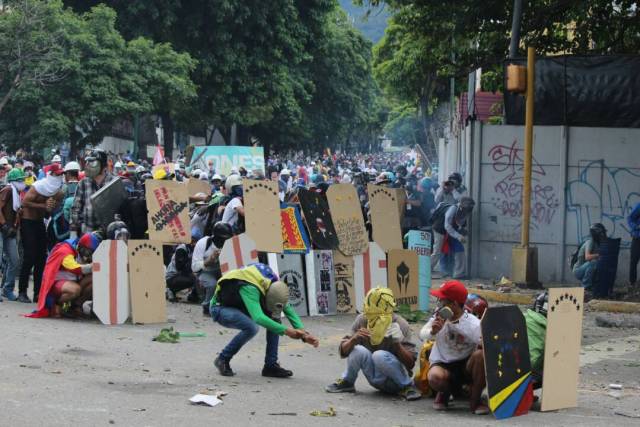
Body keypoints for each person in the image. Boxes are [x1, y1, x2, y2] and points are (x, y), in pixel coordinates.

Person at [210, 263, 319, 377]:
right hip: (220, 308)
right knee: (251, 327)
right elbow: (258, 317)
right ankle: (222, 359)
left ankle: (270, 366)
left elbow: (288, 309)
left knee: (275, 320)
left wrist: (304, 335)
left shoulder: (275, 287)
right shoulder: (251, 288)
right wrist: (286, 331)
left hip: (241, 305)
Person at [325, 288, 421, 401]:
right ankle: (348, 382)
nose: (371, 315)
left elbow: (410, 364)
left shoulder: (400, 324)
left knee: (379, 355)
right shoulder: (362, 319)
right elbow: (343, 351)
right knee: (358, 350)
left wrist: (396, 343)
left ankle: (407, 387)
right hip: (374, 377)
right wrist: (354, 339)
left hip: (395, 381)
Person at [421, 280, 488, 415]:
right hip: (443, 364)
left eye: (443, 301)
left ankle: (475, 401)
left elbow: (487, 344)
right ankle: (444, 394)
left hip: (465, 365)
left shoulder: (472, 323)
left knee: (480, 355)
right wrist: (433, 331)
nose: (439, 303)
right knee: (434, 377)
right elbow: (422, 334)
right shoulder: (438, 317)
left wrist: (471, 336)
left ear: (454, 304)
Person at [18, 164, 64, 303]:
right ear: (51, 174)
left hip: (39, 223)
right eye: (57, 174)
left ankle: (38, 292)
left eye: (61, 174)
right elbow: (25, 202)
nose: (60, 176)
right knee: (29, 256)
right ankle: (22, 291)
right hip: (28, 221)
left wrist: (51, 206)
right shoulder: (38, 186)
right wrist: (43, 205)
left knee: (41, 258)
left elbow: (51, 209)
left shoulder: (57, 191)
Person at [26, 232, 100, 318]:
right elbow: (74, 268)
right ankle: (56, 304)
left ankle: (75, 306)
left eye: (91, 253)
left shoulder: (80, 249)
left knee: (94, 279)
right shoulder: (65, 250)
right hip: (57, 283)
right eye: (87, 252)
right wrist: (91, 266)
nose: (89, 256)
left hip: (73, 281)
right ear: (81, 247)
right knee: (75, 289)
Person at [70, 149, 118, 235]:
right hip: (87, 234)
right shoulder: (83, 183)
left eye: (93, 163)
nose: (88, 166)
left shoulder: (113, 182)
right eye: (88, 162)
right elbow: (76, 209)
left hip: (109, 234)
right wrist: (73, 232)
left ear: (103, 166)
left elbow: (119, 210)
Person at [192, 222, 233, 315]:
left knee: (232, 283)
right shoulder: (203, 243)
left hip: (222, 269)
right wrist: (209, 260)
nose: (224, 242)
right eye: (222, 239)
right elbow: (194, 267)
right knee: (212, 285)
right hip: (206, 271)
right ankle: (207, 306)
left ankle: (225, 305)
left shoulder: (230, 244)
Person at [431, 197, 475, 279]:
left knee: (460, 250)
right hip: (440, 229)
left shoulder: (466, 211)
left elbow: (458, 223)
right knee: (437, 251)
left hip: (452, 231)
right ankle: (427, 270)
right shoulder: (452, 210)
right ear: (462, 206)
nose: (468, 210)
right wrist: (458, 236)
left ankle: (459, 274)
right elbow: (447, 226)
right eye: (467, 208)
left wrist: (461, 230)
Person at [0, 169, 26, 301]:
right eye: (20, 180)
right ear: (14, 181)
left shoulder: (17, 193)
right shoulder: (8, 190)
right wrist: (4, 224)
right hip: (2, 229)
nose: (22, 183)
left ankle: (7, 289)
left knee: (14, 261)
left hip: (9, 231)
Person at [573, 223, 607, 290]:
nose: (603, 235)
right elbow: (587, 257)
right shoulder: (590, 242)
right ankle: (585, 287)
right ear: (596, 233)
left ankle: (595, 286)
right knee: (594, 262)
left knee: (601, 264)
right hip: (578, 270)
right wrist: (599, 255)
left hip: (586, 267)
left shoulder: (598, 243)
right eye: (601, 233)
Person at [627, 202, 640, 286]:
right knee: (634, 261)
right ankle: (632, 283)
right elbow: (630, 218)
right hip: (638, 238)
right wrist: (636, 226)